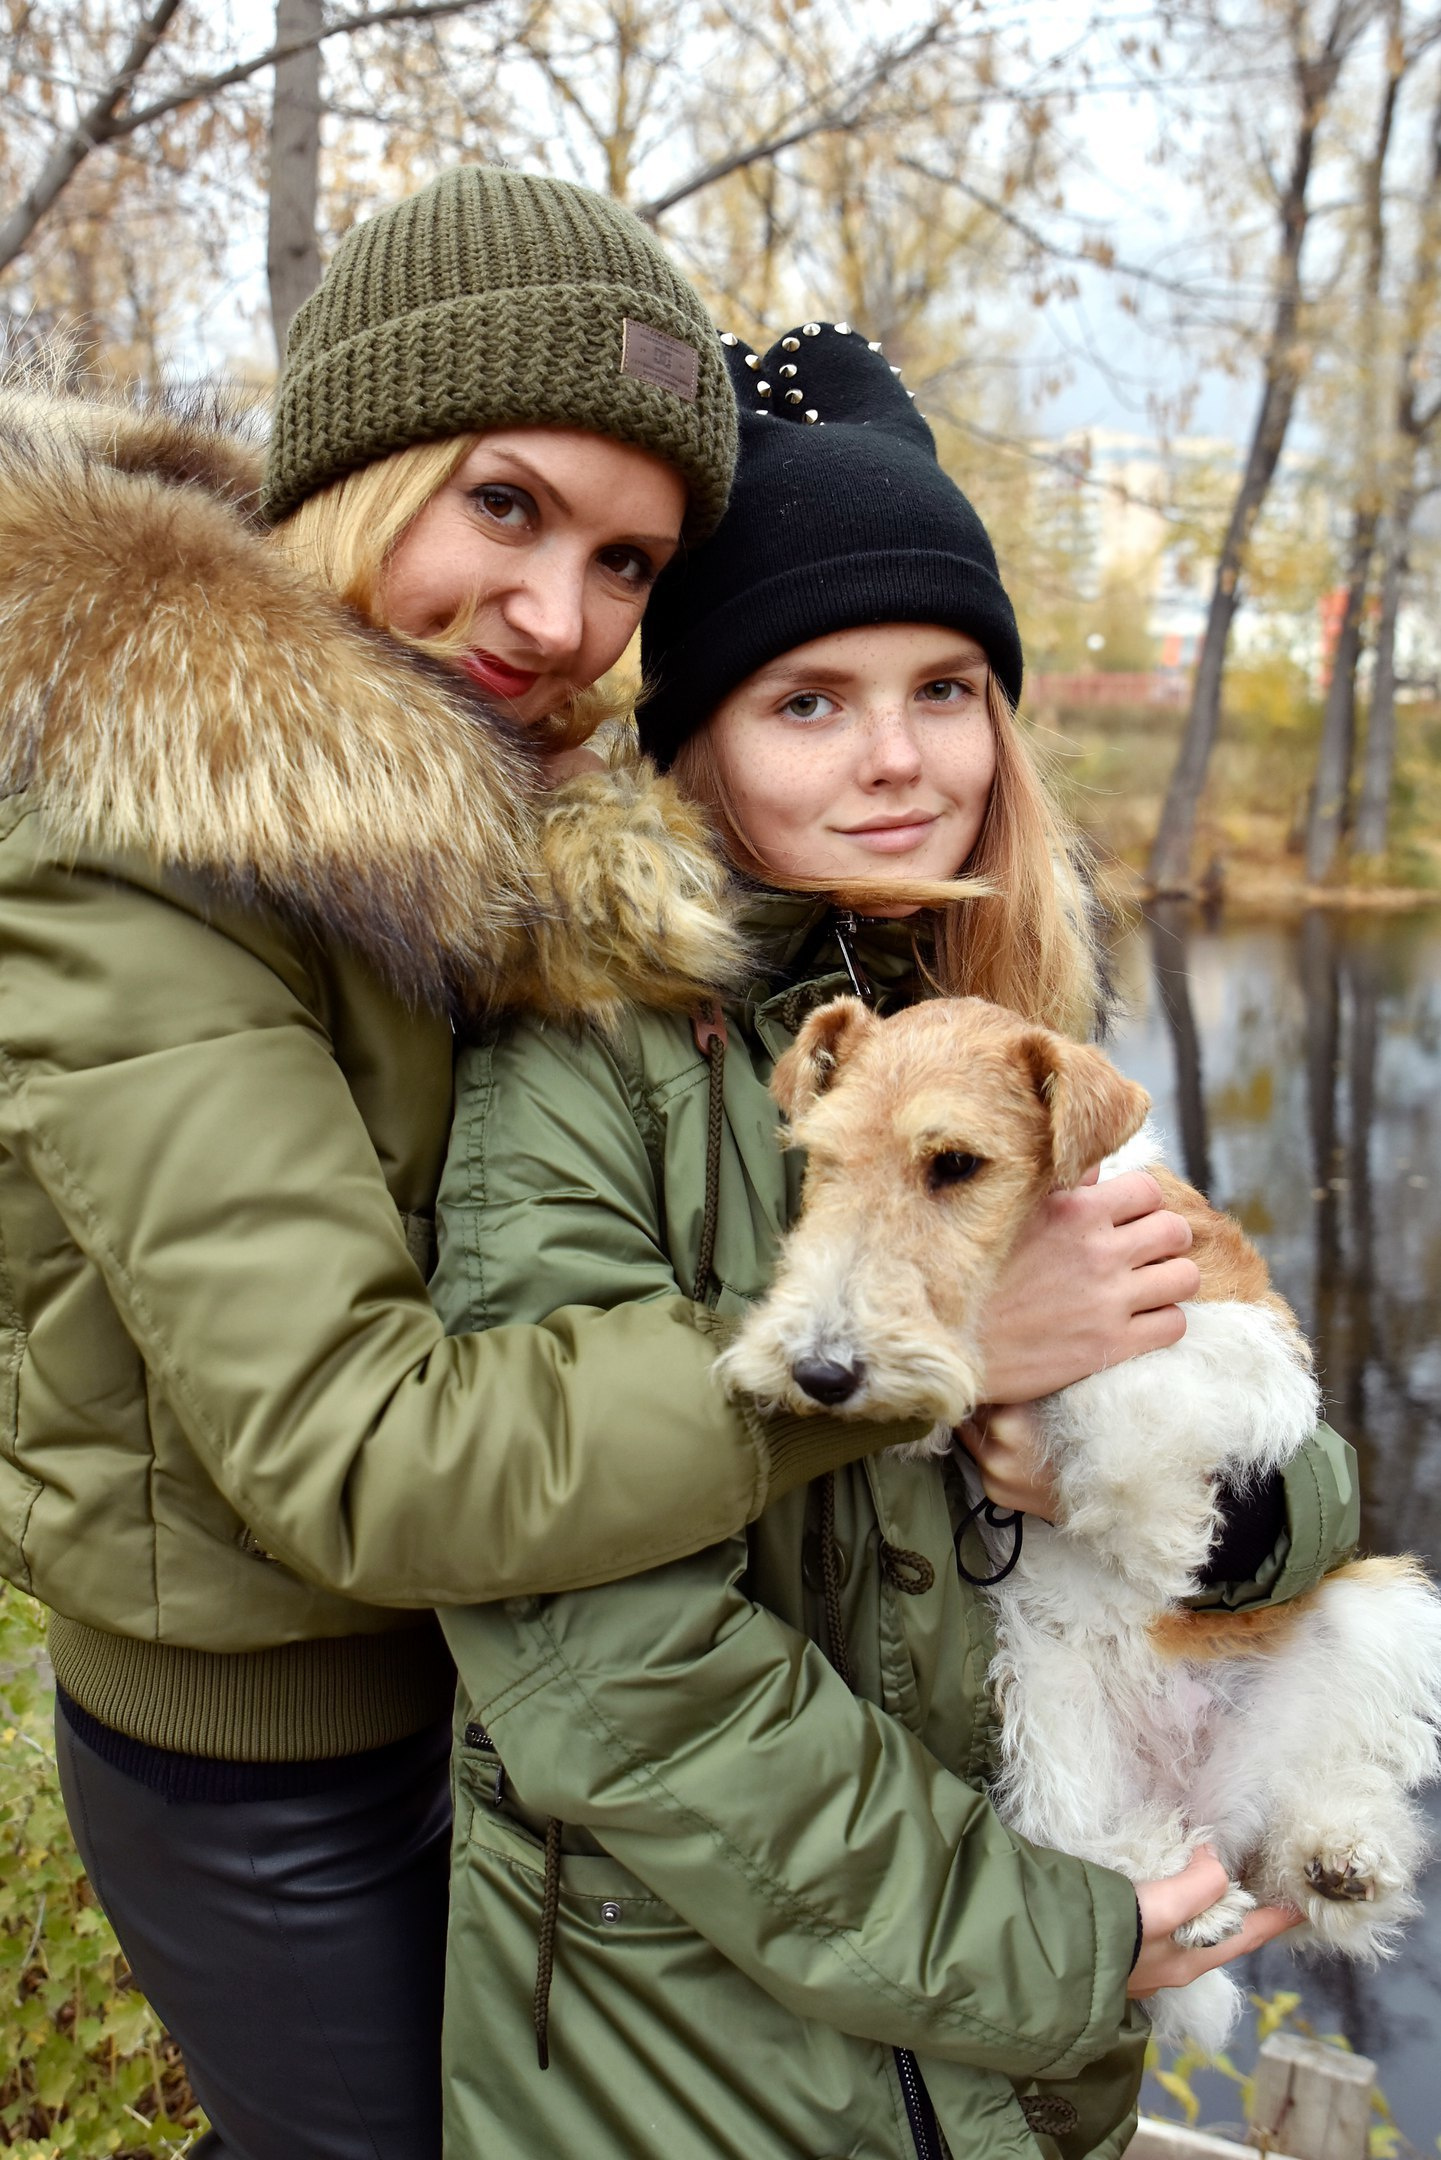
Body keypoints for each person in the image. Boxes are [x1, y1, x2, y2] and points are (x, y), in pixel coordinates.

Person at [0, 173, 962, 2160]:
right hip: (259, 1763)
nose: (559, 616)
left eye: (630, 562)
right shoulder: (132, 853)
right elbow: (364, 1445)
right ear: (365, 459)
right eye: (505, 505)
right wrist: (881, 1350)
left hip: (479, 1676)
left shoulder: (461, 816)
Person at [432, 323, 1359, 2160]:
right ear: (692, 732)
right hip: (681, 2055)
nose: (895, 759)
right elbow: (597, 1658)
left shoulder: (1006, 1022)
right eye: (807, 699)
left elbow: (1259, 1412)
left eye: (946, 688)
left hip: (1020, 2062)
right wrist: (1042, 1935)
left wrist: (1220, 1505)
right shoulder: (578, 1066)